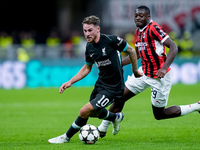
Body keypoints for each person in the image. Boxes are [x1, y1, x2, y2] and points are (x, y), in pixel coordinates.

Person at [97, 5, 200, 138]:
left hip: (160, 77)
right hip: (144, 72)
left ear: (148, 17)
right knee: (120, 97)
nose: (138, 18)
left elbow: (173, 47)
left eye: (141, 15)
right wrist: (119, 64)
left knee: (159, 115)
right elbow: (137, 54)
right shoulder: (139, 31)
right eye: (136, 16)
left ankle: (196, 106)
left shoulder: (154, 28)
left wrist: (163, 68)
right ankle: (102, 128)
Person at [48, 15, 142, 143]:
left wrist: (135, 70)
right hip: (101, 84)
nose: (87, 34)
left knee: (84, 110)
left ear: (98, 29)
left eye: (90, 30)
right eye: (85, 31)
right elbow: (87, 68)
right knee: (91, 113)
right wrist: (70, 82)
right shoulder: (89, 47)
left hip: (114, 87)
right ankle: (115, 117)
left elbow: (132, 51)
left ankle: (66, 137)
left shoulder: (111, 40)